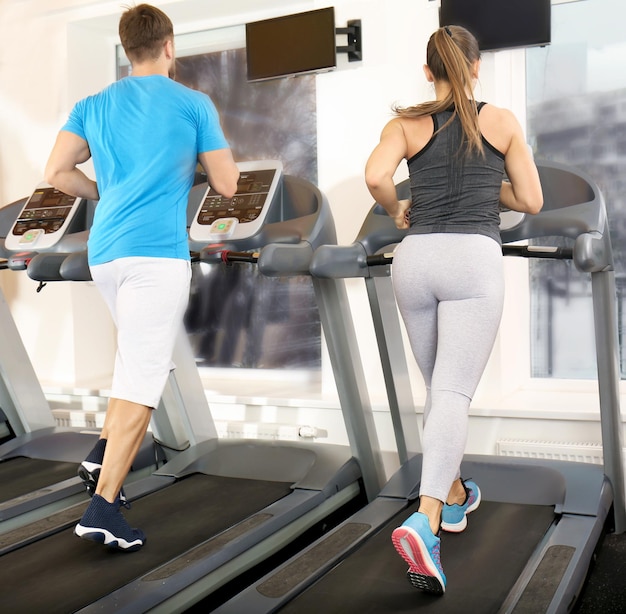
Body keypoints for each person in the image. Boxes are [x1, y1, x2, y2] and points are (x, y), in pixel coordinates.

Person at [44, 4, 239, 552]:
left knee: (132, 359)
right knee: (142, 380)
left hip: (106, 253)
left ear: (127, 49)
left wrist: (106, 191)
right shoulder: (194, 103)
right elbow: (226, 182)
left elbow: (56, 172)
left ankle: (102, 453)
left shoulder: (93, 104)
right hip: (156, 255)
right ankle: (103, 508)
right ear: (169, 46)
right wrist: (195, 162)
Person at [365, 25, 543, 593]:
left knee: (438, 392)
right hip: (472, 258)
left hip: (413, 261)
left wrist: (397, 210)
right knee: (451, 394)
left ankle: (458, 494)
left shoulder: (405, 123)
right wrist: (491, 186)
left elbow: (375, 176)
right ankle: (426, 519)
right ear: (475, 67)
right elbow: (533, 199)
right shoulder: (502, 121)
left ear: (428, 72)